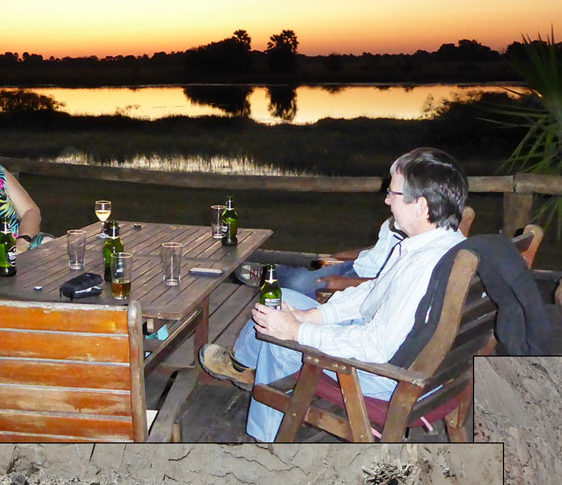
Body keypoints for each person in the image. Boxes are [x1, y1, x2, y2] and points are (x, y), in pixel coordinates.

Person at [198, 147, 468, 441]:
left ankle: (267, 444)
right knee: (282, 304)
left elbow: (374, 348)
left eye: (393, 194)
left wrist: (296, 332)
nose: (387, 201)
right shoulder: (447, 246)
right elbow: (373, 292)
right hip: (424, 366)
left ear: (420, 205)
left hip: (390, 378)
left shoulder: (423, 266)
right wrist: (312, 315)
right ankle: (246, 368)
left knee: (280, 341)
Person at [273, 217, 401, 298]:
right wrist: (336, 258)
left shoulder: (415, 241)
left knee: (296, 284)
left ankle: (269, 276)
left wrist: (348, 283)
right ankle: (267, 273)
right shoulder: (394, 221)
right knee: (294, 280)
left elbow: (397, 283)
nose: (387, 200)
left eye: (392, 193)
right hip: (356, 265)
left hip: (369, 282)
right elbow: (376, 250)